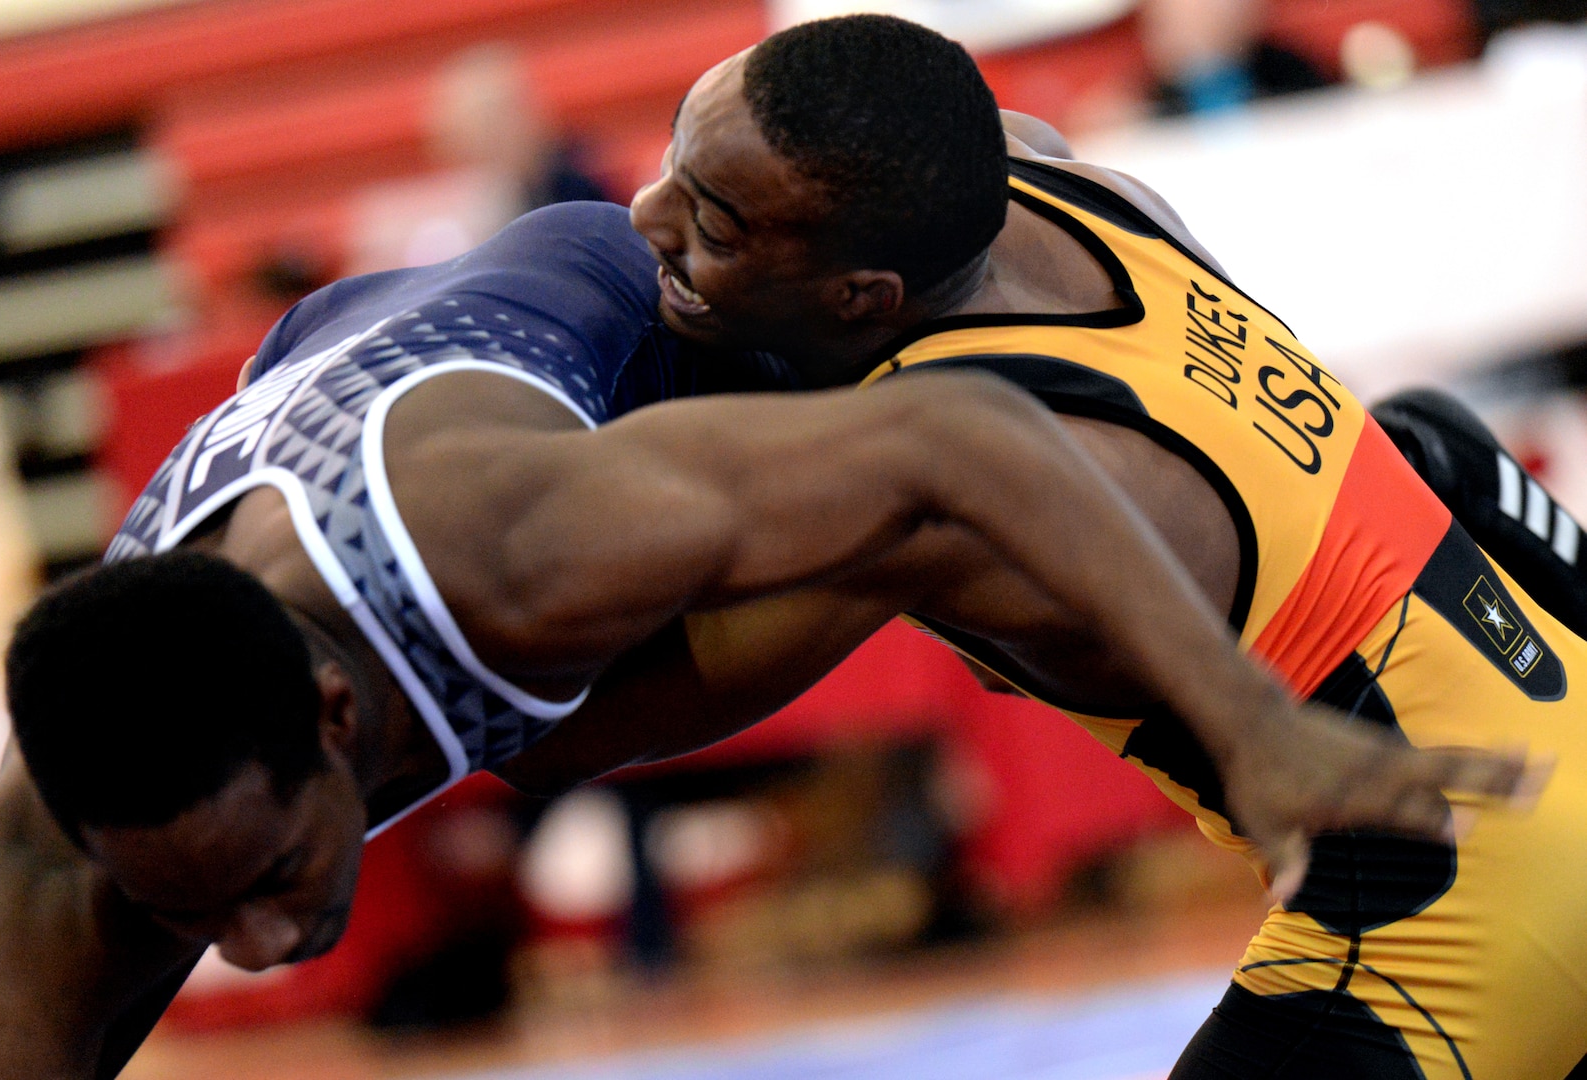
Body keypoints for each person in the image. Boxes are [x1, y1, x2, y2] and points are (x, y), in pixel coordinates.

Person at [0, 192, 1529, 1076]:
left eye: (267, 876)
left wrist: (1252, 727)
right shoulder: (79, 826)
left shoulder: (517, 547)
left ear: (329, 714)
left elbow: (957, 441)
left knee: (919, 527)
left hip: (610, 333)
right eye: (199, 907)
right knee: (559, 737)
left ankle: (1412, 475)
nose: (249, 941)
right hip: (315, 374)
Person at [625, 14, 1586, 1078]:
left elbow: (579, 736)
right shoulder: (1036, 166)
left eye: (714, 223)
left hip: (1478, 885)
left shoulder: (936, 477)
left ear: (862, 297)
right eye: (674, 153)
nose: (642, 212)